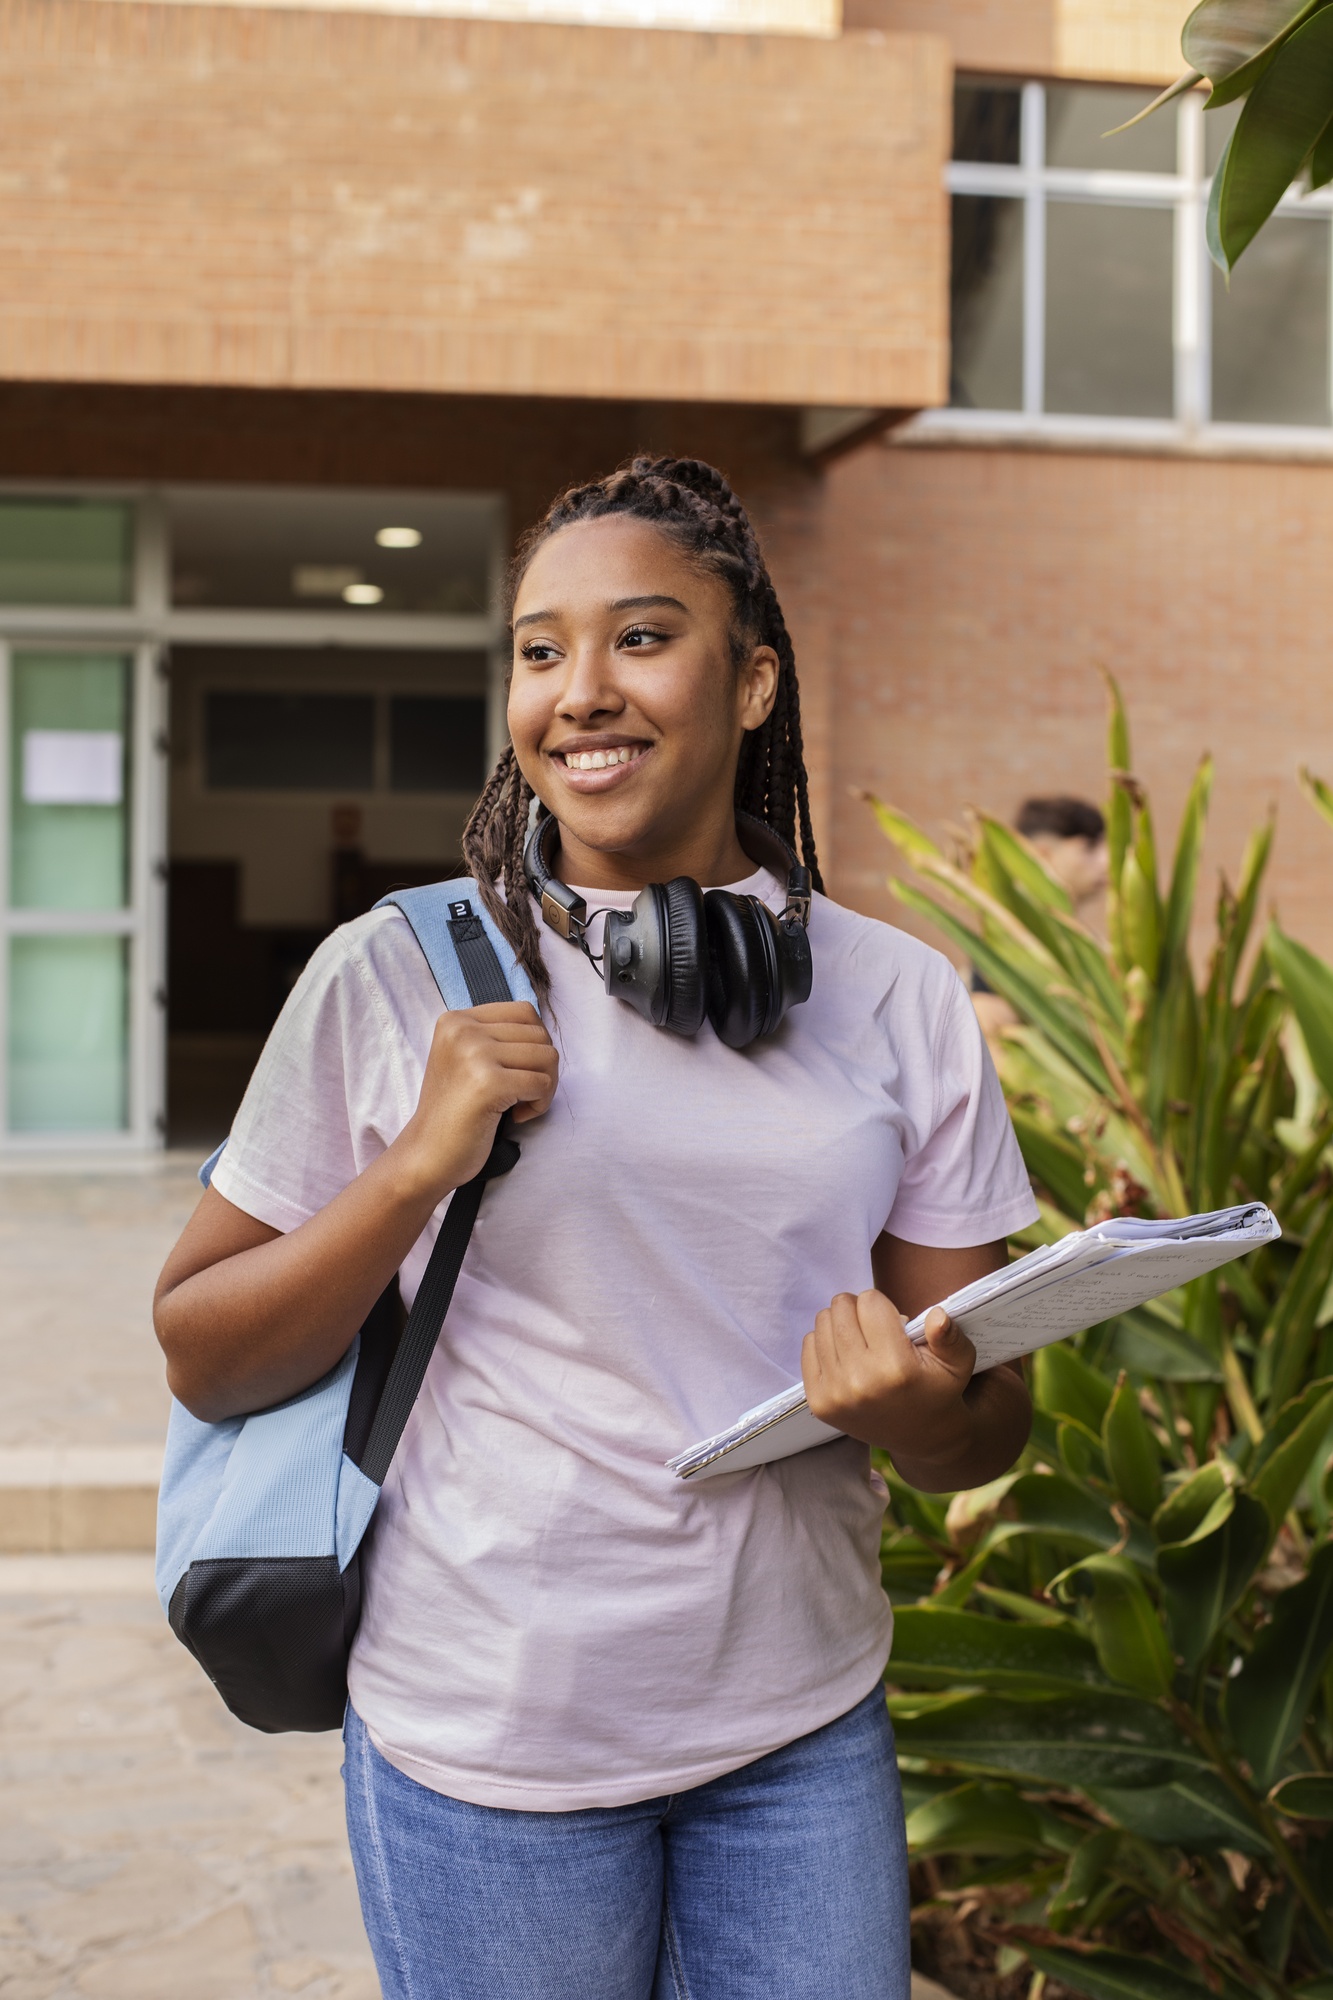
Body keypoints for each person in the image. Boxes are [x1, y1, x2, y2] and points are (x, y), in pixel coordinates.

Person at [153, 457, 1040, 2000]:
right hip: (488, 1734)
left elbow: (987, 1423)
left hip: (797, 1725)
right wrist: (413, 1169)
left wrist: (924, 1410)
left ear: (754, 680)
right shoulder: (394, 975)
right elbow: (202, 1353)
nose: (578, 693)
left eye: (639, 638)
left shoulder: (896, 998)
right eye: (538, 649)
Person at [973, 795, 1110, 1043]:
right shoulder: (1010, 943)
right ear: (1042, 854)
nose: (1106, 861)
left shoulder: (1088, 942)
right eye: (1089, 847)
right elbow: (991, 1025)